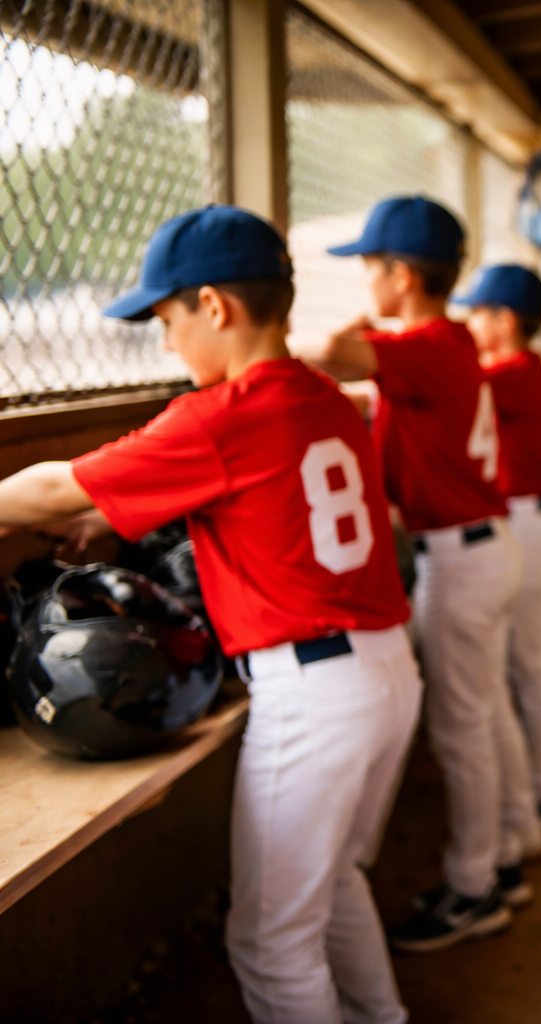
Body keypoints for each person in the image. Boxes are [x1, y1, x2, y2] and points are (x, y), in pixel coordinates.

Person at [0, 206, 421, 1024]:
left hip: (313, 699)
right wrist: (111, 516)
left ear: (216, 308)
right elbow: (259, 503)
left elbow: (48, 489)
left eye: (167, 320)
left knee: (269, 944)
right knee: (335, 884)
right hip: (386, 673)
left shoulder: (222, 415)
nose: (165, 343)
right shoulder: (327, 397)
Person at [298, 196, 541, 952]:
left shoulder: (433, 340)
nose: (364, 283)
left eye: (373, 268)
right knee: (485, 711)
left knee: (462, 726)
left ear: (403, 276)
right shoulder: (446, 340)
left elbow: (322, 355)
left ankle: (475, 887)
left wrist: (370, 324)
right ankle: (509, 848)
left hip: (461, 558)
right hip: (477, 547)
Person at [456, 263, 541, 835]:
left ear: (504, 321)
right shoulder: (513, 366)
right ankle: (538, 792)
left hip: (528, 527)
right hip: (532, 525)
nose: (468, 323)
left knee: (524, 669)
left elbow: (450, 384)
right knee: (526, 669)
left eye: (476, 313)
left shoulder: (512, 370)